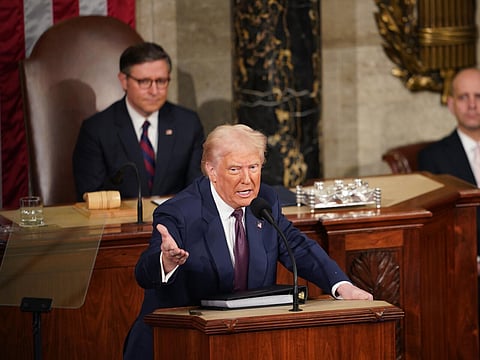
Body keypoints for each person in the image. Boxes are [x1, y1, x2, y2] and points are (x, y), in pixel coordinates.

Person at [123, 124, 373, 360]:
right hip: (177, 345)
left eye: (254, 167)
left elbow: (296, 245)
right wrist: (165, 262)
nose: (247, 179)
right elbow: (144, 274)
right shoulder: (179, 212)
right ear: (211, 170)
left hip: (242, 342)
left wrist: (341, 286)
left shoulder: (265, 201)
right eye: (235, 169)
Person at [73, 42, 205, 201]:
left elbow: (197, 188)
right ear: (124, 81)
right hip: (117, 223)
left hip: (176, 222)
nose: (154, 91)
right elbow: (92, 196)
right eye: (144, 82)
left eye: (161, 81)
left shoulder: (188, 124)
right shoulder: (97, 129)